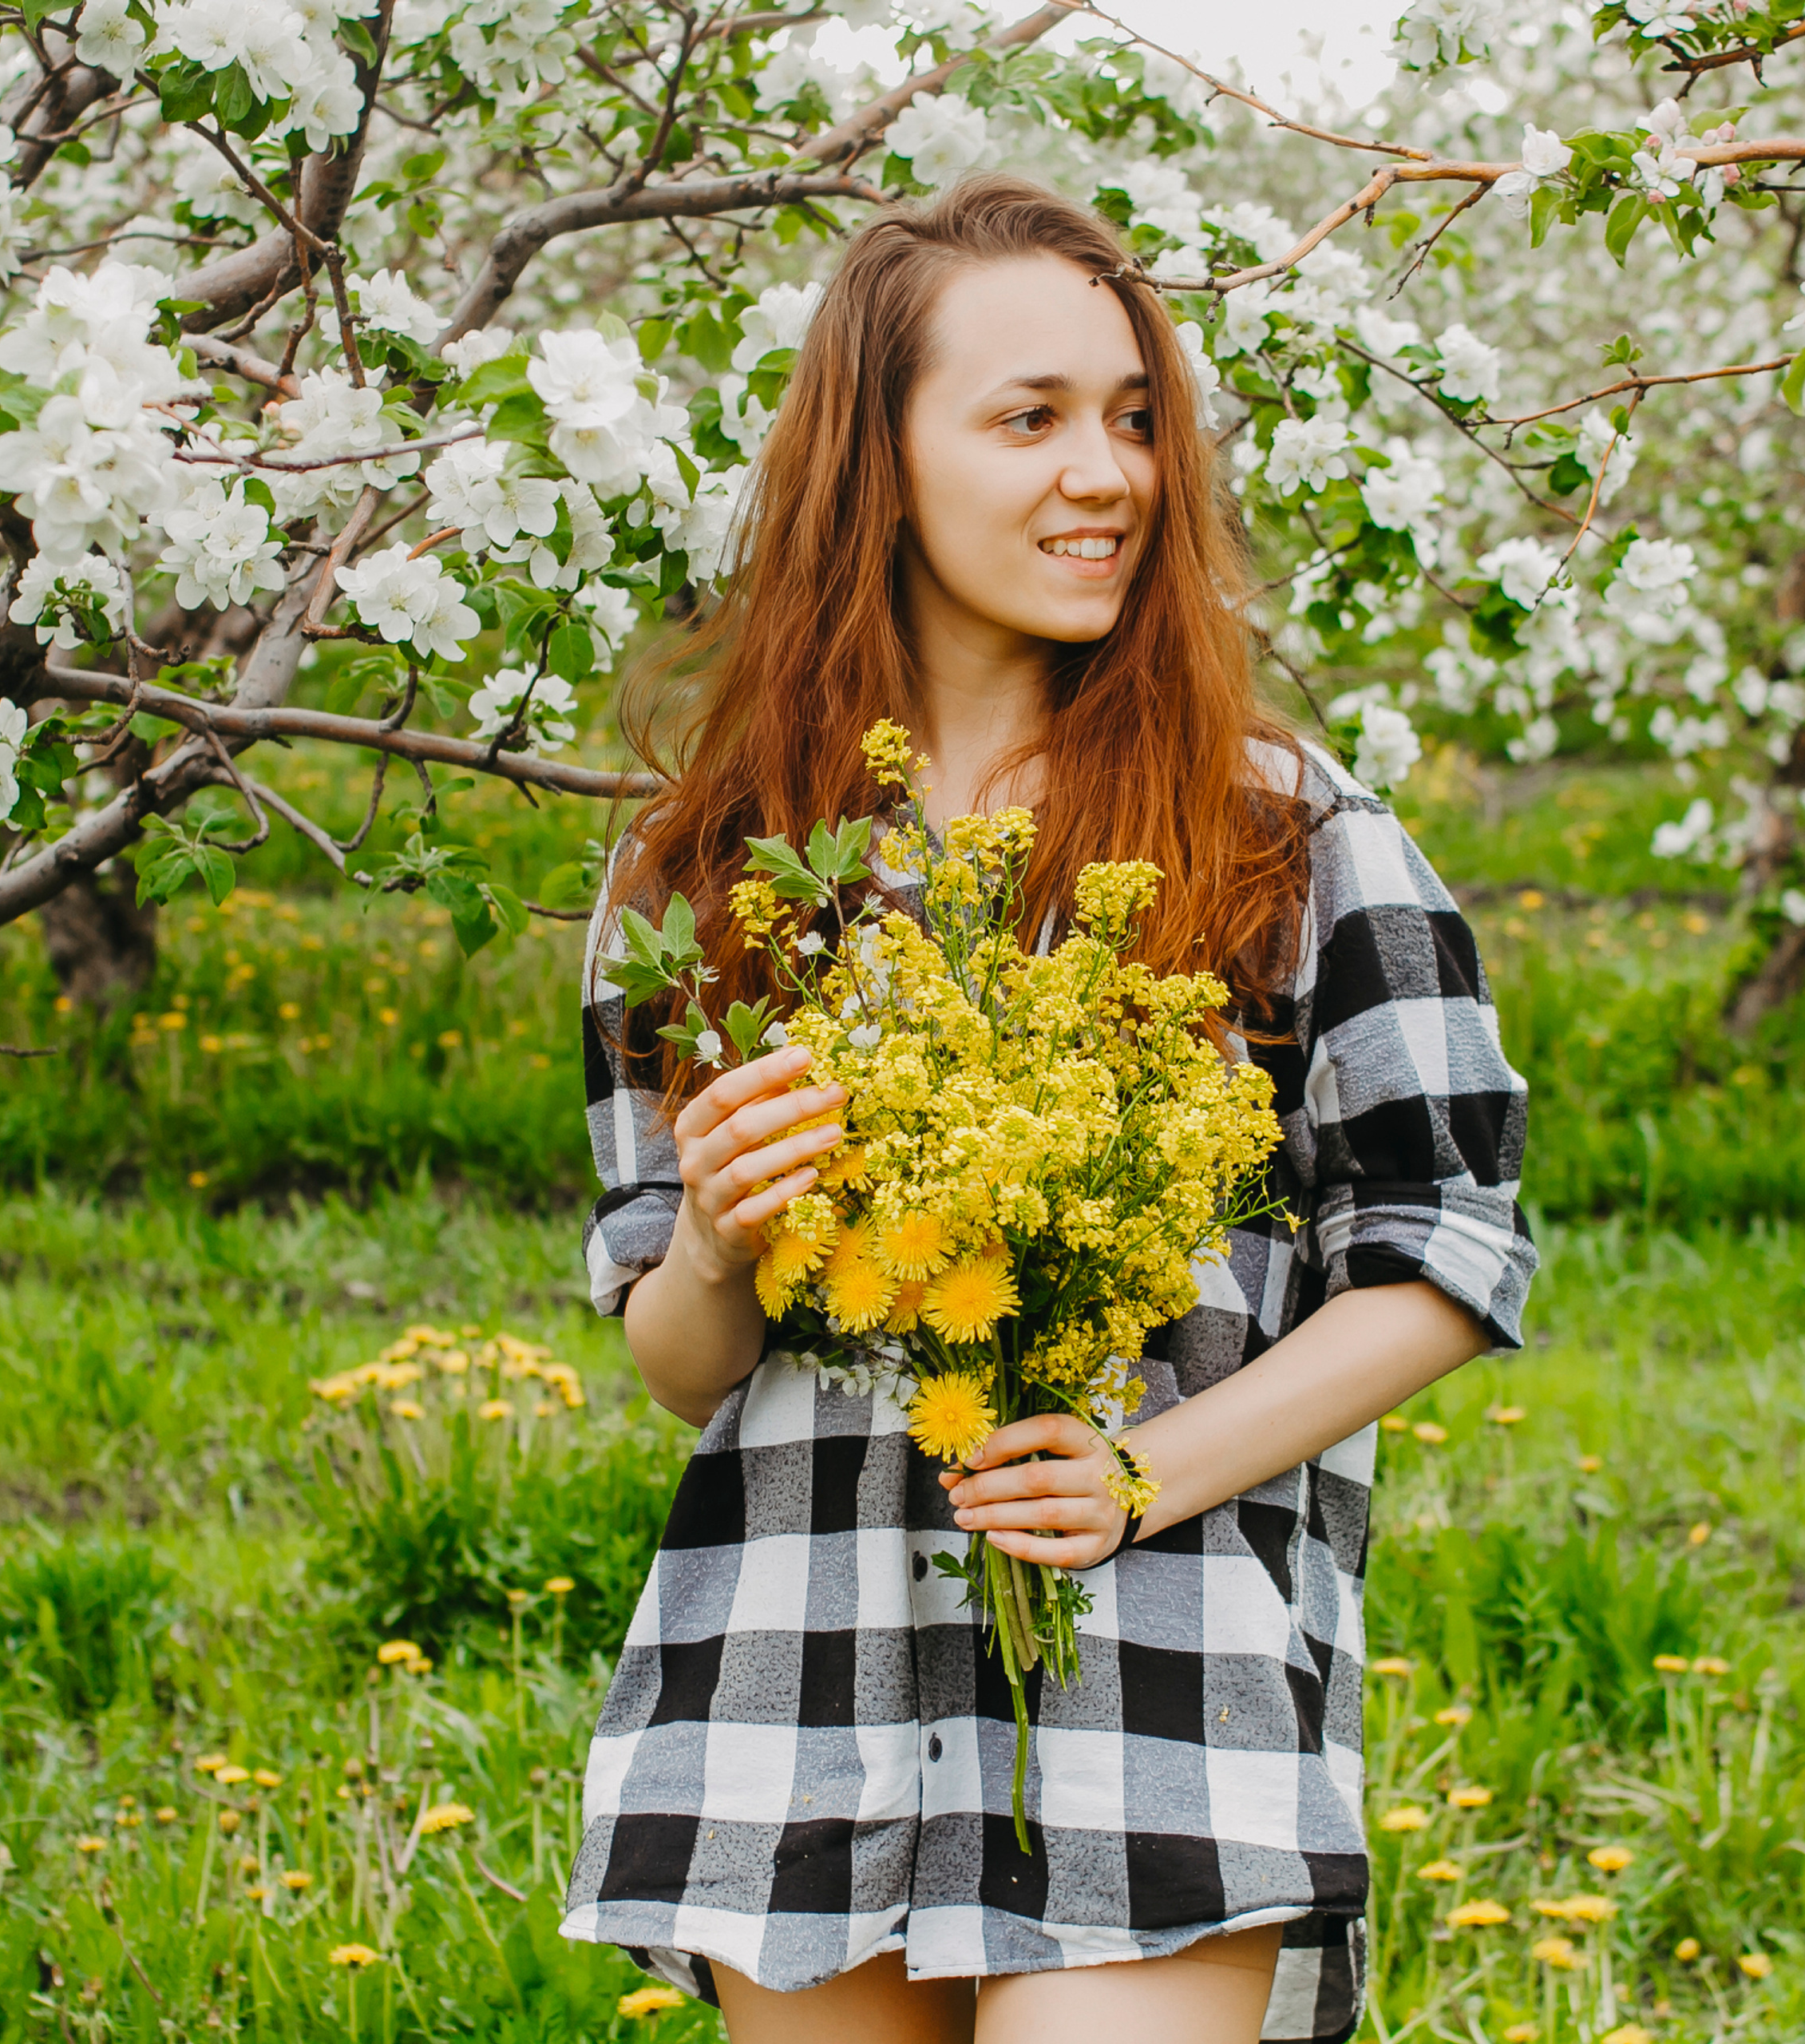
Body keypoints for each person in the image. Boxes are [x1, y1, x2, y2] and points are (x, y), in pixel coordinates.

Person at [559, 173, 1535, 2044]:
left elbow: (1443, 1248)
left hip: (1154, 1672)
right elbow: (680, 1360)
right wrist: (713, 1237)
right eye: (1030, 418)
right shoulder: (701, 866)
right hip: (797, 1675)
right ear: (878, 461)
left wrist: (1143, 1469)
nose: (1106, 471)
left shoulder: (1286, 832)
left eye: (1133, 416)